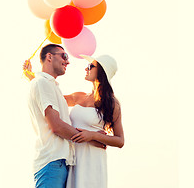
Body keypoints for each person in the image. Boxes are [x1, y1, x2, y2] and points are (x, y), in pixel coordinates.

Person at [24, 48, 124, 188]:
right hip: (73, 157)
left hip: (92, 157)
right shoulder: (79, 96)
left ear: (102, 72)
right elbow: (50, 95)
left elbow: (120, 140)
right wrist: (33, 77)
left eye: (90, 66)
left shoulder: (112, 104)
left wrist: (93, 136)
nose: (86, 68)